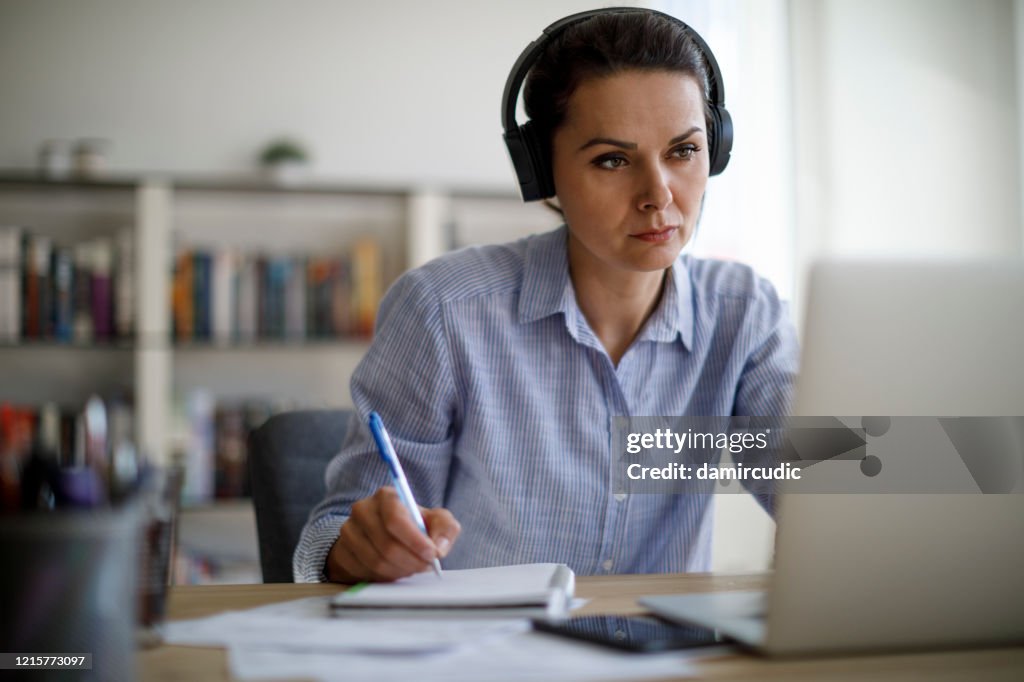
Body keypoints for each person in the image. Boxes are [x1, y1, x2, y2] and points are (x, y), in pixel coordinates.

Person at [294, 8, 798, 584]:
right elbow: (337, 529)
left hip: (667, 665)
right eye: (613, 160)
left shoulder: (746, 315)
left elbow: (827, 480)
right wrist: (359, 548)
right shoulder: (443, 311)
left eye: (684, 151)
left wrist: (845, 502)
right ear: (542, 172)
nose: (659, 196)